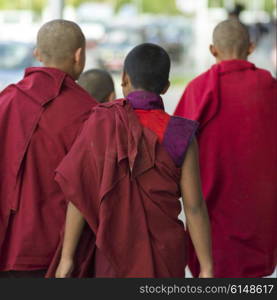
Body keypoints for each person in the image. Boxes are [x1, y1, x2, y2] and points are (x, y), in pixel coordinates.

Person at [46, 43, 213, 278]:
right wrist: (206, 268)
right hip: (165, 255)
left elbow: (79, 193)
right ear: (165, 87)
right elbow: (194, 208)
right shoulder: (181, 133)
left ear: (124, 78)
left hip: (114, 253)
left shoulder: (101, 123)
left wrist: (67, 258)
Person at [174, 19, 277, 278]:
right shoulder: (270, 87)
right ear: (251, 48)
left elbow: (172, 148)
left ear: (213, 50)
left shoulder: (198, 89)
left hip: (210, 213)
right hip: (260, 213)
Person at [0, 19, 97, 277]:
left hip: (5, 244)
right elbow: (87, 187)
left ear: (37, 54)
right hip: (56, 254)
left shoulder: (6, 100)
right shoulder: (88, 110)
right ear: (79, 55)